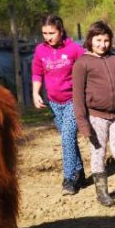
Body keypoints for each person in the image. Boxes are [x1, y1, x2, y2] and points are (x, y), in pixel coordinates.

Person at [72, 21, 115, 208]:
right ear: (90, 40)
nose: (102, 44)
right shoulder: (82, 63)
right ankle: (102, 193)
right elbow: (77, 97)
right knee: (98, 153)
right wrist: (83, 125)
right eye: (98, 40)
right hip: (96, 117)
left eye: (106, 40)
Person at [32, 14, 86, 195]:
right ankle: (79, 172)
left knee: (66, 137)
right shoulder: (40, 50)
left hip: (73, 100)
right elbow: (37, 73)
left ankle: (69, 178)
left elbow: (89, 63)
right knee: (68, 138)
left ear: (61, 31)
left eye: (51, 33)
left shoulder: (73, 49)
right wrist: (35, 92)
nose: (48, 37)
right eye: (44, 33)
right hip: (54, 103)